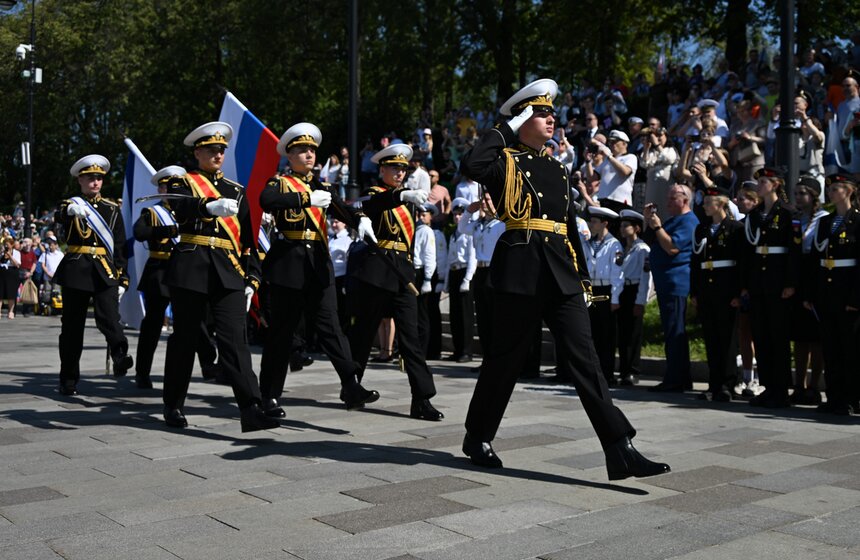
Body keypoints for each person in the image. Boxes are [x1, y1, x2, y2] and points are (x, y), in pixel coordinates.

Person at [459, 78, 669, 480]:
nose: (551, 119)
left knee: (585, 359)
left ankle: (620, 447)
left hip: (560, 270)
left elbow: (569, 227)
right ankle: (478, 436)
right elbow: (472, 165)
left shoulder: (558, 167)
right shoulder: (504, 160)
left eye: (551, 112)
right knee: (505, 359)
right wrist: (504, 129)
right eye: (541, 113)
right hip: (520, 267)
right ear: (522, 119)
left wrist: (583, 279)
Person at [258, 122, 380, 416]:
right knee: (282, 332)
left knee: (332, 328)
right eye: (302, 149)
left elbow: (342, 209)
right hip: (289, 262)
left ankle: (351, 384)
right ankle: (269, 395)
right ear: (289, 155)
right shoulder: (281, 183)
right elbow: (266, 200)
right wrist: (304, 199)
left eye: (312, 149)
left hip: (318, 264)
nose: (309, 154)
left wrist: (359, 219)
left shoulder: (322, 186)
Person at [161, 122, 275, 432]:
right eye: (211, 149)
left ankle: (251, 408)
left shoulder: (236, 190)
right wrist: (208, 206)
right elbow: (179, 207)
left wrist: (252, 279)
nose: (218, 154)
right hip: (191, 266)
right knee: (186, 339)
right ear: (197, 153)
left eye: (222, 150)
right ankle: (173, 404)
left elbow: (249, 241)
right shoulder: (184, 182)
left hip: (228, 270)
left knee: (235, 340)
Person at [346, 143, 442, 421]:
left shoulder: (407, 201)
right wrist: (401, 195)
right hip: (377, 272)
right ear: (382, 170)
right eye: (394, 168)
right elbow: (371, 205)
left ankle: (422, 398)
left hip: (403, 274)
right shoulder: (375, 194)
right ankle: (352, 387)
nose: (399, 173)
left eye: (403, 169)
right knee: (364, 335)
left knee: (411, 338)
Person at [132, 166, 220, 389]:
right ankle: (142, 371)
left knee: (195, 320)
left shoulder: (191, 210)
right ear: (160, 190)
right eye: (165, 186)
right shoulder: (153, 213)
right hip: (159, 271)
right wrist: (169, 231)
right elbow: (139, 233)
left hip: (185, 269)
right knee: (153, 323)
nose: (170, 190)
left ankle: (208, 363)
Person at [54, 155, 133, 395]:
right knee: (72, 328)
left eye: (98, 178)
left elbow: (120, 246)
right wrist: (70, 210)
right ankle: (68, 378)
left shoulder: (112, 209)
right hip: (77, 269)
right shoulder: (70, 204)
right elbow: (59, 215)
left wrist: (123, 278)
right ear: (80, 180)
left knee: (110, 317)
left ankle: (120, 355)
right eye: (90, 178)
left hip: (104, 271)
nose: (95, 182)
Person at [740, 167, 800, 408]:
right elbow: (747, 253)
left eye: (764, 181)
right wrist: (745, 284)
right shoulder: (754, 215)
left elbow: (794, 252)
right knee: (761, 335)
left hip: (778, 282)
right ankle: (768, 387)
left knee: (778, 336)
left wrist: (790, 283)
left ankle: (781, 389)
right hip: (758, 283)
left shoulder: (788, 213)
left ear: (775, 185)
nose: (759, 185)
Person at [804, 173, 860, 415]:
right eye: (830, 188)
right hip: (827, 293)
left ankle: (852, 397)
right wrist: (811, 294)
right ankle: (834, 396)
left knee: (850, 348)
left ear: (849, 191)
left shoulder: (857, 221)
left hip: (847, 293)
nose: (831, 192)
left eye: (836, 188)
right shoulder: (826, 222)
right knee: (831, 347)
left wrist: (856, 298)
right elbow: (816, 259)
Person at [643, 183, 699, 392]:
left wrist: (658, 227)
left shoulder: (688, 221)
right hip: (665, 282)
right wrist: (650, 221)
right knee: (671, 331)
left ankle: (676, 378)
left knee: (675, 331)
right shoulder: (673, 220)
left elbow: (672, 247)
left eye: (672, 198)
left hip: (676, 282)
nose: (667, 202)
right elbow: (651, 240)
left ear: (685, 199)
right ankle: (678, 376)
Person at [690, 186, 743, 402]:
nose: (704, 206)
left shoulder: (735, 228)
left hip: (726, 290)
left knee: (727, 339)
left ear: (721, 203)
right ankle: (714, 384)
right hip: (707, 290)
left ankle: (727, 384)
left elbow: (741, 263)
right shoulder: (701, 229)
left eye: (708, 202)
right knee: (711, 338)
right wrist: (695, 291)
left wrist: (738, 292)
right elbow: (696, 261)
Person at [790, 176, 827, 405]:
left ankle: (814, 386)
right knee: (800, 337)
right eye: (796, 193)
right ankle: (799, 385)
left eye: (802, 193)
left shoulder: (823, 219)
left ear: (813, 196)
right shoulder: (796, 219)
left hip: (815, 277)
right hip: (798, 277)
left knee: (816, 338)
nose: (798, 197)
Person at [583, 206, 624, 386]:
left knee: (607, 335)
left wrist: (615, 298)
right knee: (592, 333)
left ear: (604, 223)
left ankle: (607, 373)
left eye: (594, 222)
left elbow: (617, 274)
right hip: (591, 290)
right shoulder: (588, 243)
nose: (591, 225)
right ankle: (593, 371)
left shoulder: (614, 245)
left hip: (606, 290)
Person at [463, 192, 505, 359]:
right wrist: (468, 211)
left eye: (488, 199)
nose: (484, 203)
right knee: (482, 316)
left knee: (494, 315)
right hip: (480, 271)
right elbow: (462, 228)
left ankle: (496, 358)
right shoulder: (478, 224)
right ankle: (487, 357)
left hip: (493, 270)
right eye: (483, 200)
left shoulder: (500, 224)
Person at [616, 209, 651, 386]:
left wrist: (640, 301)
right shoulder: (623, 248)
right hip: (623, 290)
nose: (622, 229)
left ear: (636, 228)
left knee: (633, 334)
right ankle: (624, 370)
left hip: (635, 290)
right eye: (621, 226)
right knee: (623, 333)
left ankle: (633, 371)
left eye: (626, 226)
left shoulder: (642, 249)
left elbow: (645, 278)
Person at [443, 197, 477, 362]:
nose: (457, 217)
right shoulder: (453, 235)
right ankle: (457, 350)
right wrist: (446, 281)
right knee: (455, 314)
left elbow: (472, 256)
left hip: (464, 272)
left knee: (465, 315)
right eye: (455, 214)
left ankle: (466, 351)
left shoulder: (469, 233)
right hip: (454, 272)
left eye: (460, 214)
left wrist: (468, 278)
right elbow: (449, 259)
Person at [588, 130, 638, 214]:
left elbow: (625, 172)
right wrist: (588, 162)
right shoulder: (607, 160)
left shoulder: (630, 157)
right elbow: (592, 178)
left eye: (614, 142)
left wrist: (610, 157)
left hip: (620, 201)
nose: (611, 145)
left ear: (624, 143)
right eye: (610, 142)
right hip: (603, 199)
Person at [413, 202, 437, 356]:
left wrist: (428, 279)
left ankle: (422, 351)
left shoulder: (427, 231)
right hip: (413, 272)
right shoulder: (416, 229)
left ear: (430, 217)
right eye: (419, 214)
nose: (421, 218)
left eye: (424, 215)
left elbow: (429, 256)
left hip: (421, 272)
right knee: (414, 313)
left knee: (421, 314)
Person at [0, 236, 20, 319]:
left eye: (7, 245)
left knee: (11, 294)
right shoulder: (1, 252)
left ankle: (11, 311)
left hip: (12, 273)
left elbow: (17, 265)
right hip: (2, 273)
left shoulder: (16, 253)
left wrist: (10, 256)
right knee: (0, 294)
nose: (6, 246)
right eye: (5, 244)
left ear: (12, 245)